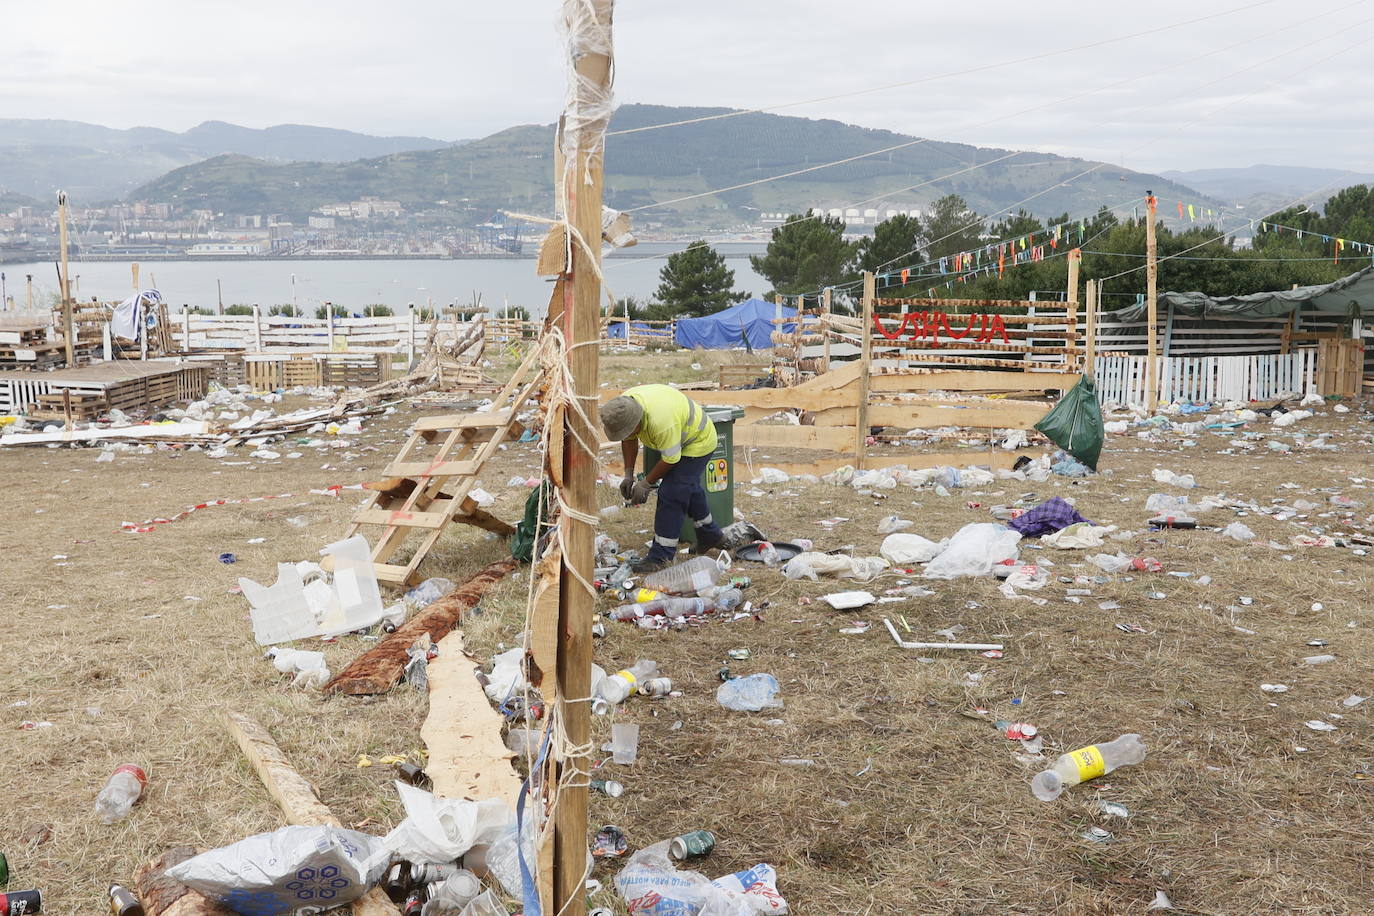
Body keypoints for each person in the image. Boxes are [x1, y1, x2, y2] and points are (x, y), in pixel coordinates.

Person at [600, 384, 724, 573]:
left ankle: (661, 556)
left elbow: (670, 459)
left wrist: (645, 483)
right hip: (679, 437)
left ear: (636, 423)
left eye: (628, 430)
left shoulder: (662, 421)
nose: (626, 435)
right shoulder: (624, 406)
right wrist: (628, 474)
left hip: (698, 442)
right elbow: (629, 439)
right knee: (687, 486)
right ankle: (710, 535)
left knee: (671, 492)